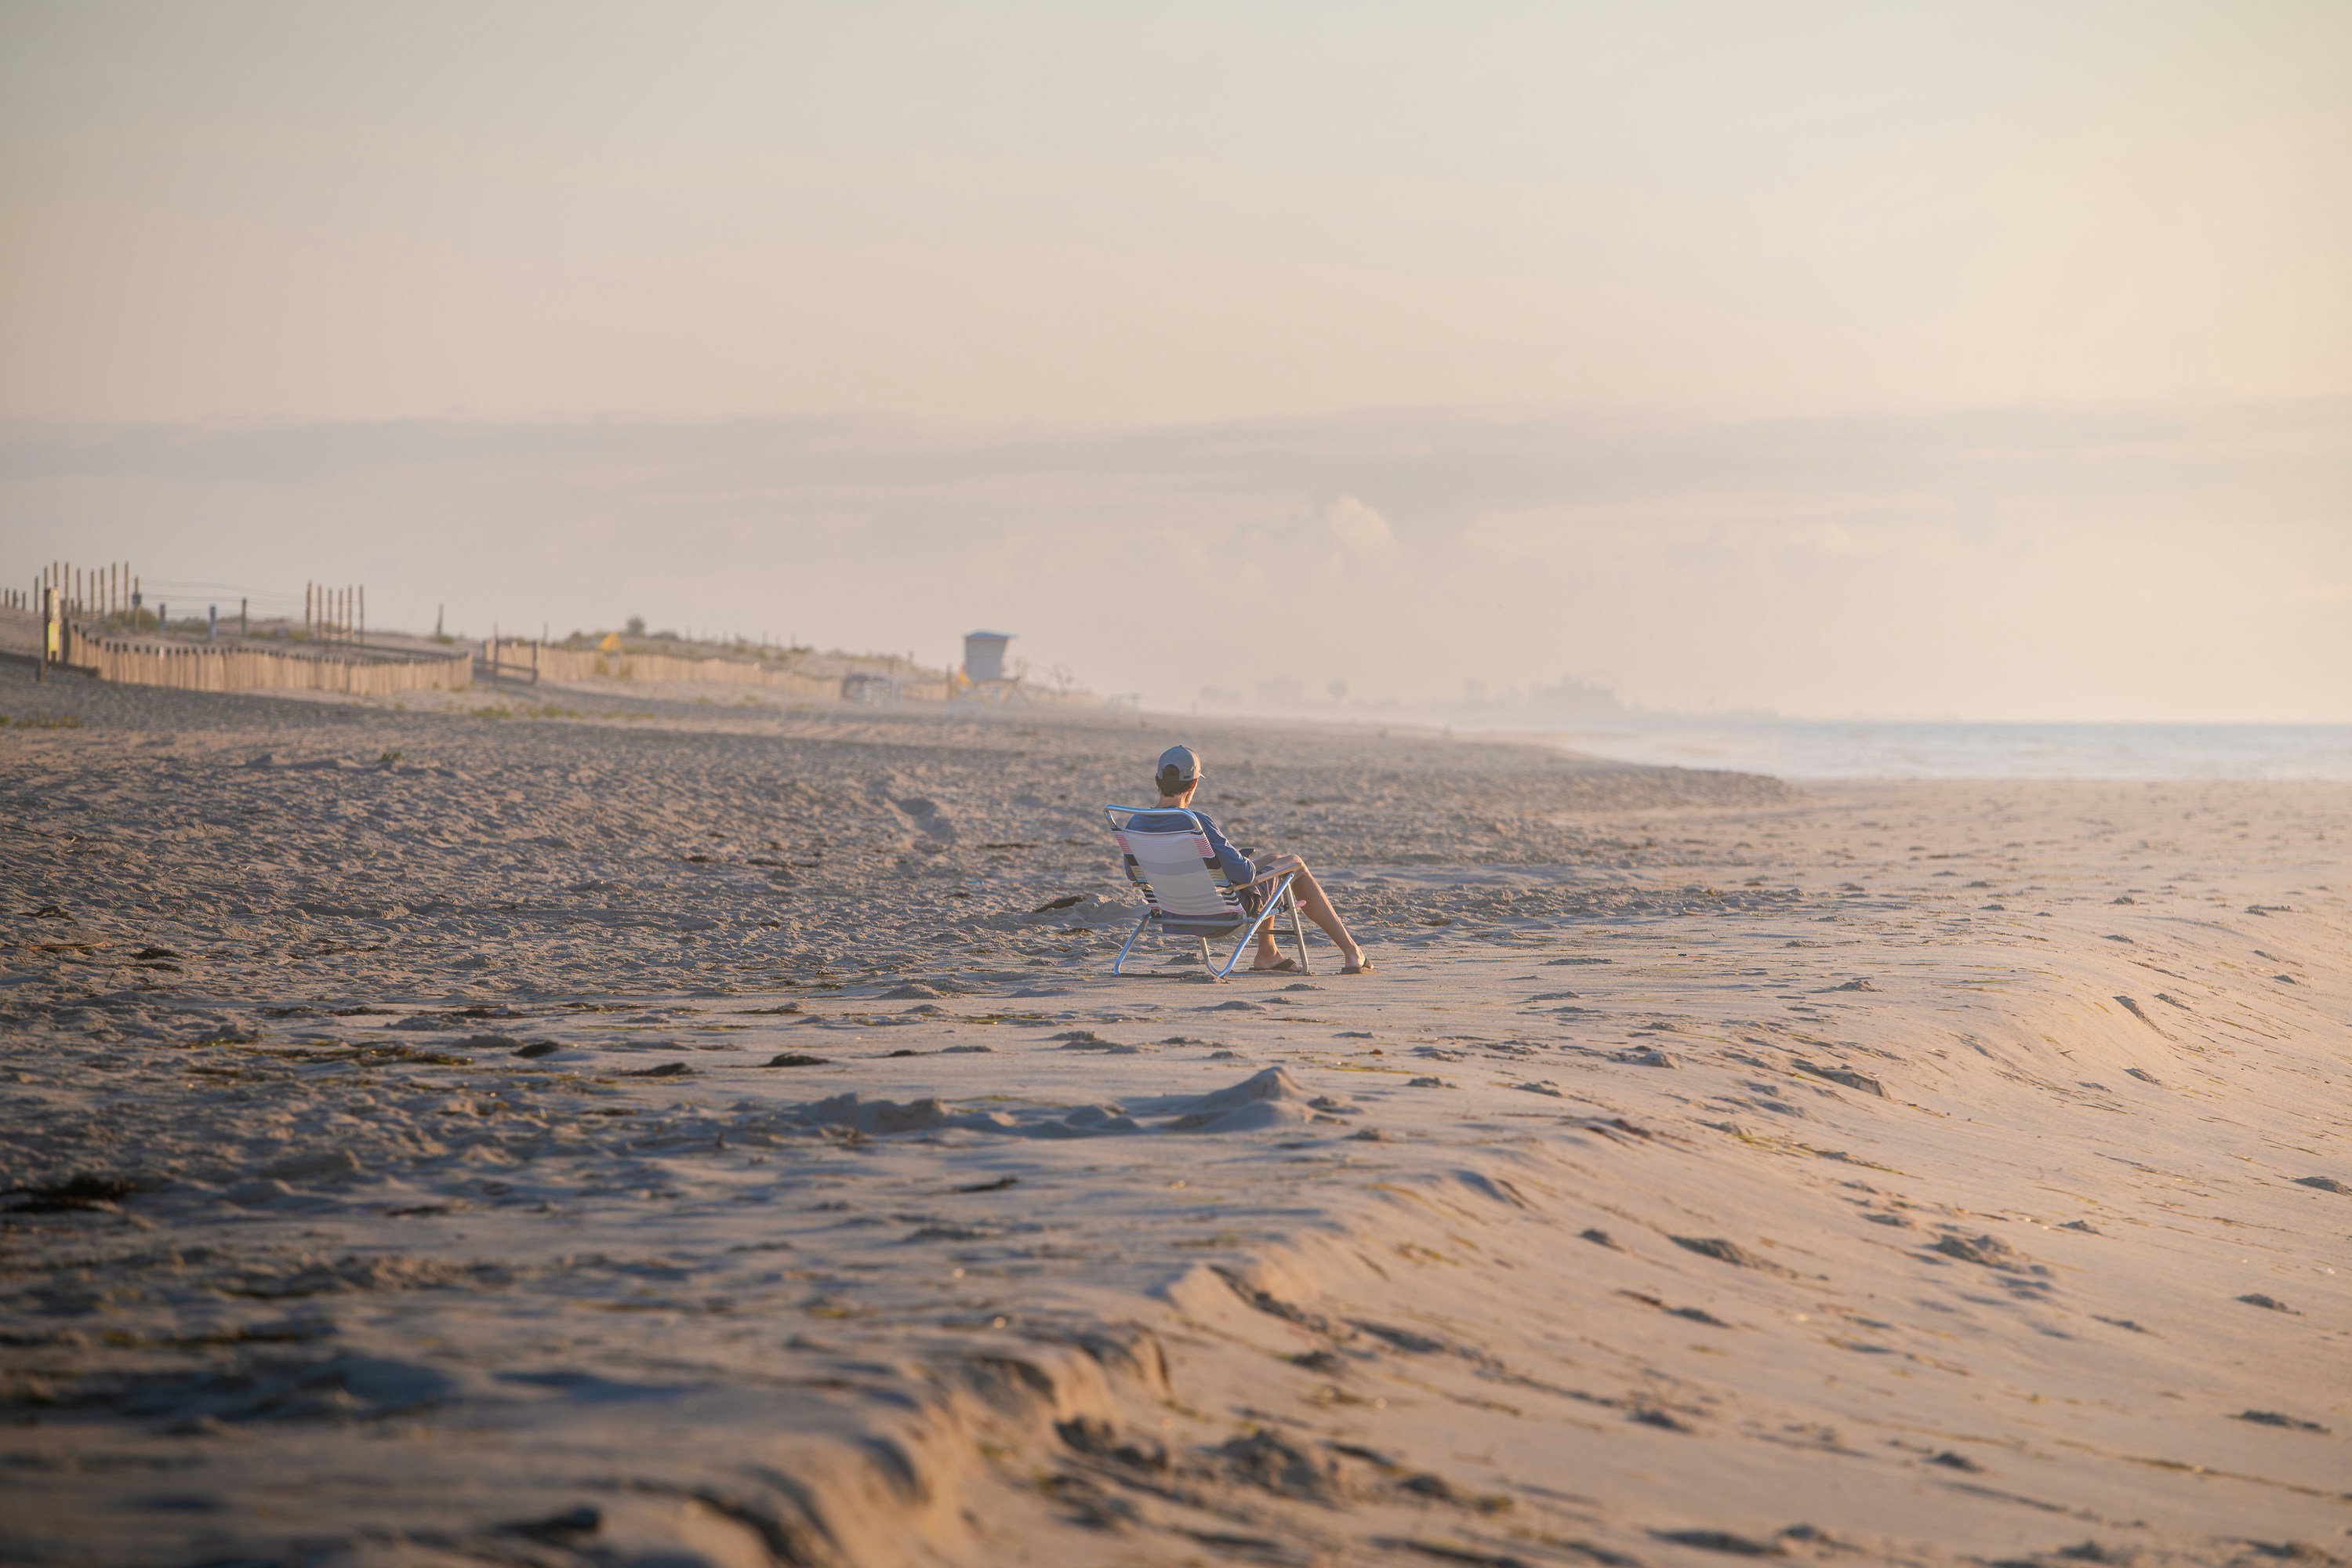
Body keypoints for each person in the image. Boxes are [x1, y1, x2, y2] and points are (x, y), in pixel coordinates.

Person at [1127, 744, 1374, 975]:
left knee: (1274, 860)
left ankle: (1268, 954)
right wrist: (1237, 863)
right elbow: (1244, 876)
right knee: (1295, 863)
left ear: (1158, 780)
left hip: (1174, 913)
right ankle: (1353, 953)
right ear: (1193, 785)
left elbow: (1134, 875)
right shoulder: (1195, 822)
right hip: (1218, 916)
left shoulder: (1135, 822)